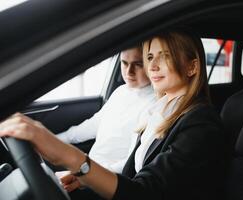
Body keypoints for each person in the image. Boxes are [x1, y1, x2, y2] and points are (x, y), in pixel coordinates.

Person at [0, 29, 225, 200]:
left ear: (192, 67)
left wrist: (71, 158)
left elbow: (144, 193)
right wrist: (85, 179)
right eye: (149, 57)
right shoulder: (159, 110)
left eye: (164, 56)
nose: (153, 66)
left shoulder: (201, 124)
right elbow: (133, 171)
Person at [56, 46, 155, 175]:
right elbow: (94, 125)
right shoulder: (120, 91)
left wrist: (86, 173)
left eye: (138, 64)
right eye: (124, 63)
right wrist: (55, 140)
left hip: (108, 179)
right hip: (90, 167)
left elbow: (131, 162)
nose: (129, 71)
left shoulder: (153, 105)